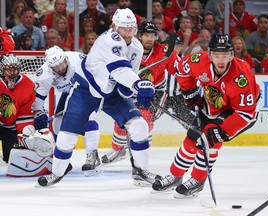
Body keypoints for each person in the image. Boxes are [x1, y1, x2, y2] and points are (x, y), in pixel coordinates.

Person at [37, 8, 160, 187]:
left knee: (139, 125)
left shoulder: (136, 47)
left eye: (131, 28)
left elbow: (128, 75)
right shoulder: (108, 40)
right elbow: (119, 70)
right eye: (124, 28)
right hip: (88, 88)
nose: (127, 33)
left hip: (112, 91)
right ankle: (56, 173)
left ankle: (140, 171)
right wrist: (138, 84)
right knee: (66, 135)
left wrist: (132, 90)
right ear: (115, 27)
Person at [152, 34, 260, 198]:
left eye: (225, 55)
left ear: (231, 55)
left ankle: (197, 180)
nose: (221, 60)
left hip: (237, 112)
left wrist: (222, 131)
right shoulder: (198, 61)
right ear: (209, 54)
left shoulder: (241, 75)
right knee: (192, 135)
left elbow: (246, 113)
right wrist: (190, 92)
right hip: (211, 105)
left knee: (210, 137)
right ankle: (175, 175)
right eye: (217, 55)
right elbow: (181, 69)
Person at [101, 21, 179, 165]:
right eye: (146, 35)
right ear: (139, 35)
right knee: (122, 117)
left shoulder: (164, 52)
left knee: (144, 118)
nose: (149, 39)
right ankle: (118, 150)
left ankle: (141, 156)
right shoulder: (129, 49)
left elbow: (180, 72)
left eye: (152, 36)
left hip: (155, 93)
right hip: (132, 91)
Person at [33, 45, 101, 176]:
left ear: (65, 58)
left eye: (62, 64)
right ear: (49, 67)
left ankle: (93, 156)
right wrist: (38, 113)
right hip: (67, 92)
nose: (60, 68)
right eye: (55, 67)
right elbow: (39, 99)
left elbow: (96, 76)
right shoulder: (44, 74)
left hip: (87, 90)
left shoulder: (77, 59)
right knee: (57, 125)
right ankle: (62, 160)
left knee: (89, 118)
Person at [0, 54, 54, 165]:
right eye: (9, 69)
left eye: (14, 69)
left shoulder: (27, 85)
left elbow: (24, 114)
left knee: (9, 157)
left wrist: (26, 132)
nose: (12, 72)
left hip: (10, 128)